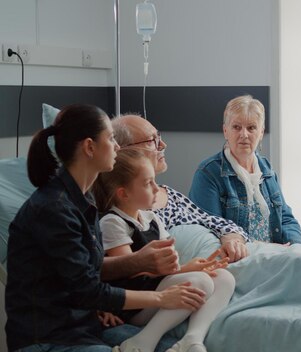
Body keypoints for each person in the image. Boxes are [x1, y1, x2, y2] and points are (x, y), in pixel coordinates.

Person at [5, 104, 208, 352]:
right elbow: (88, 290)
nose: (118, 147)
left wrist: (141, 265)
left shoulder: (84, 201)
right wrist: (161, 298)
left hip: (87, 327)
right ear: (90, 147)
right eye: (111, 139)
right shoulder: (53, 210)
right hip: (49, 339)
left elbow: (86, 269)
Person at [93, 148, 235, 352]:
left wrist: (192, 267)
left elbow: (167, 268)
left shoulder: (152, 218)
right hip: (134, 303)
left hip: (156, 289)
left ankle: (192, 339)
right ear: (123, 194)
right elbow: (130, 272)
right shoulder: (113, 222)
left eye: (154, 181)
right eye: (147, 183)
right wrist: (187, 271)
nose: (156, 189)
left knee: (223, 277)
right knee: (199, 281)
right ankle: (141, 342)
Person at [111, 114, 250, 263]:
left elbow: (212, 221)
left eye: (159, 136)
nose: (163, 145)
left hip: (235, 254)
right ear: (124, 151)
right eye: (152, 141)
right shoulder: (126, 212)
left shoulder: (170, 195)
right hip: (209, 266)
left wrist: (233, 239)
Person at [189, 95, 301, 245]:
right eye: (236, 127)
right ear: (225, 131)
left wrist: (297, 246)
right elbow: (206, 232)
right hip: (237, 260)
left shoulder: (267, 171)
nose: (244, 134)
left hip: (275, 255)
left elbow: (286, 219)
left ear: (261, 132)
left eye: (251, 128)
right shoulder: (208, 173)